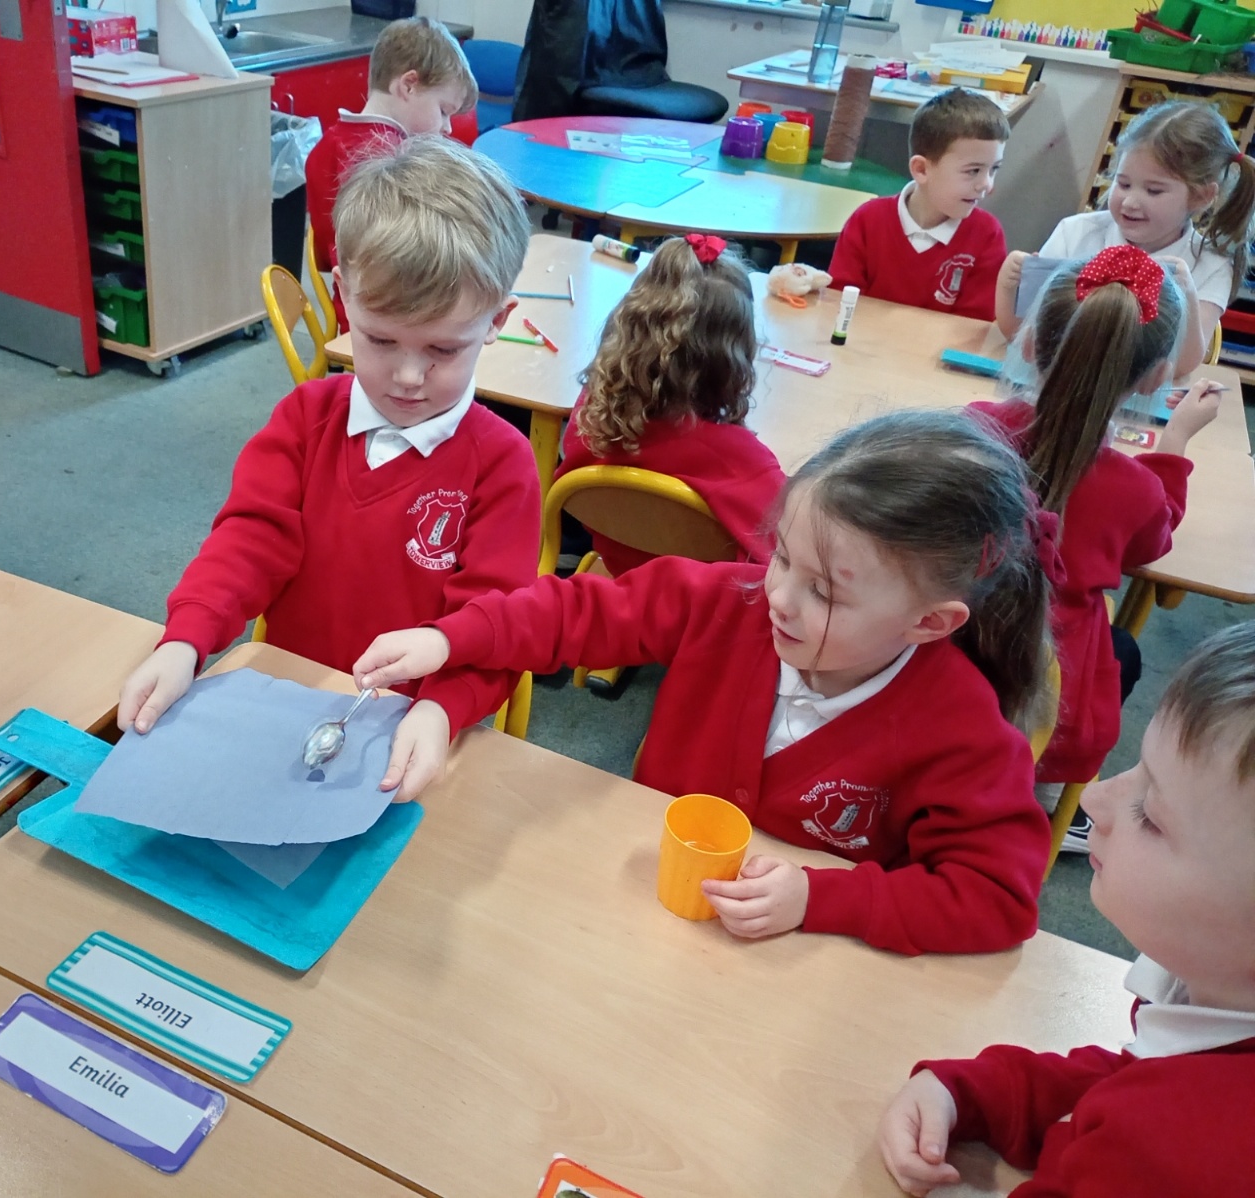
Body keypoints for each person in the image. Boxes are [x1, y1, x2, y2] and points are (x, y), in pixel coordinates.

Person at [354, 410, 1054, 955]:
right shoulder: (729, 601)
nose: (779, 597)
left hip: (781, 973)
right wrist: (451, 637)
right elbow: (574, 612)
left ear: (928, 623)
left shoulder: (961, 729)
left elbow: (997, 898)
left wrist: (820, 900)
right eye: (782, 556)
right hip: (635, 912)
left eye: (823, 591)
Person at [119, 137, 540, 800]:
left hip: (415, 731)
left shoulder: (504, 466)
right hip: (289, 706)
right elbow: (247, 543)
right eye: (380, 340)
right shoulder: (305, 419)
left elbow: (494, 626)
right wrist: (185, 640)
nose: (408, 376)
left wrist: (442, 709)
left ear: (497, 321)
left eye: (442, 349)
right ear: (343, 295)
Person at [877, 620, 1255, 1197]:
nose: (1097, 798)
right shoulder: (1217, 997)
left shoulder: (1172, 1152)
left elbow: (1143, 1113)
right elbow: (1134, 1074)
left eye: (1151, 815)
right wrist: (973, 1093)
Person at [972, 247, 1222, 851]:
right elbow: (1154, 538)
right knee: (1120, 648)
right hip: (1047, 705)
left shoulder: (974, 428)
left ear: (1031, 341)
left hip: (949, 651)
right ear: (1156, 377)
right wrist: (1175, 440)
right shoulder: (1135, 489)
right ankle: (1046, 805)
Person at [558, 234, 784, 572]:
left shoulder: (591, 419)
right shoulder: (744, 465)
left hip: (616, 582)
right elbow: (783, 557)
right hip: (700, 602)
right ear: (735, 357)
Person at [997, 99, 1255, 378]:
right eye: (1123, 183)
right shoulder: (1076, 233)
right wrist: (1007, 287)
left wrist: (1188, 294)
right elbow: (1024, 338)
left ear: (1201, 196)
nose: (1130, 201)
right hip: (1058, 384)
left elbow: (1181, 366)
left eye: (1154, 191)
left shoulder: (1211, 266)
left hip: (1140, 395)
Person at [305, 15, 478, 331]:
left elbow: (324, 257)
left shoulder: (327, 146)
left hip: (357, 310)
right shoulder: (391, 163)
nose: (448, 128)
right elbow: (411, 261)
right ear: (408, 85)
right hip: (386, 326)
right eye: (443, 111)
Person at [829, 88, 1010, 320]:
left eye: (994, 169)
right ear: (922, 169)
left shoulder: (987, 235)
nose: (986, 184)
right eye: (973, 171)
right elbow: (839, 302)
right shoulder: (868, 219)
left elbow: (972, 327)